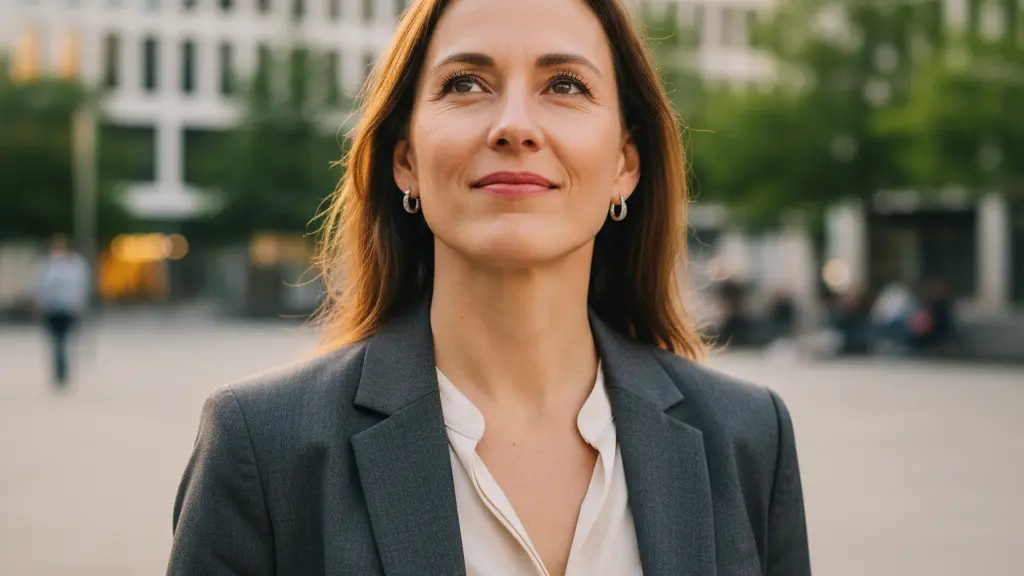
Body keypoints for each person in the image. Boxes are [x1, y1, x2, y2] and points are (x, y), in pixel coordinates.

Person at [167, 1, 811, 574]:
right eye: (465, 83)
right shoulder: (265, 447)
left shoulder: (747, 437)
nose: (514, 126)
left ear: (625, 163)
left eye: (564, 84)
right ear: (405, 160)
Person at [34, 234, 91, 388]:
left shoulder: (75, 264)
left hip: (69, 308)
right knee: (55, 343)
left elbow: (82, 285)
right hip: (51, 309)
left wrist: (81, 303)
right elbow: (39, 287)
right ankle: (58, 373)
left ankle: (64, 372)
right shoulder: (46, 265)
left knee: (66, 342)